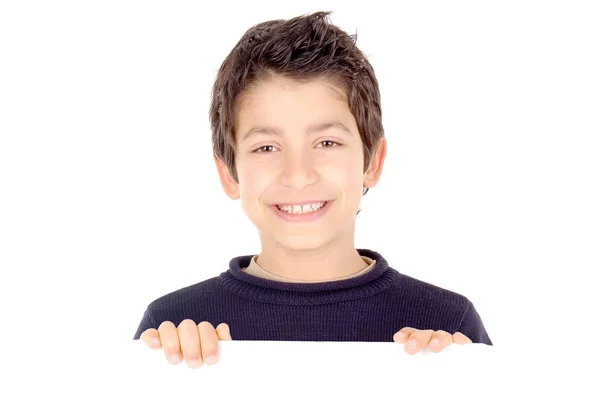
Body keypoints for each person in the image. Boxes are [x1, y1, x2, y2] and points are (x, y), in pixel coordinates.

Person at [133, 10, 492, 367]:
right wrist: (168, 377)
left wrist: (456, 378)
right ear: (229, 174)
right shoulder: (173, 332)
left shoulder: (446, 327)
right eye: (266, 148)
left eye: (327, 143)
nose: (298, 175)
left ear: (373, 162)